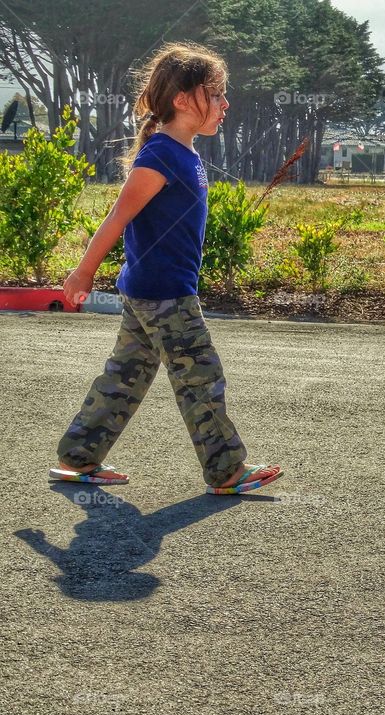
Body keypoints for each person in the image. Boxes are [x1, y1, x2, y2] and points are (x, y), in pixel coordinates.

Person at [51, 43, 282, 495]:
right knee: (200, 376)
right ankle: (228, 470)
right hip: (164, 293)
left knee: (126, 375)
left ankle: (78, 458)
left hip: (151, 290)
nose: (224, 104)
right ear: (182, 100)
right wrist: (82, 274)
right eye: (214, 95)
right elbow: (118, 217)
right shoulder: (160, 155)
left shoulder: (184, 153)